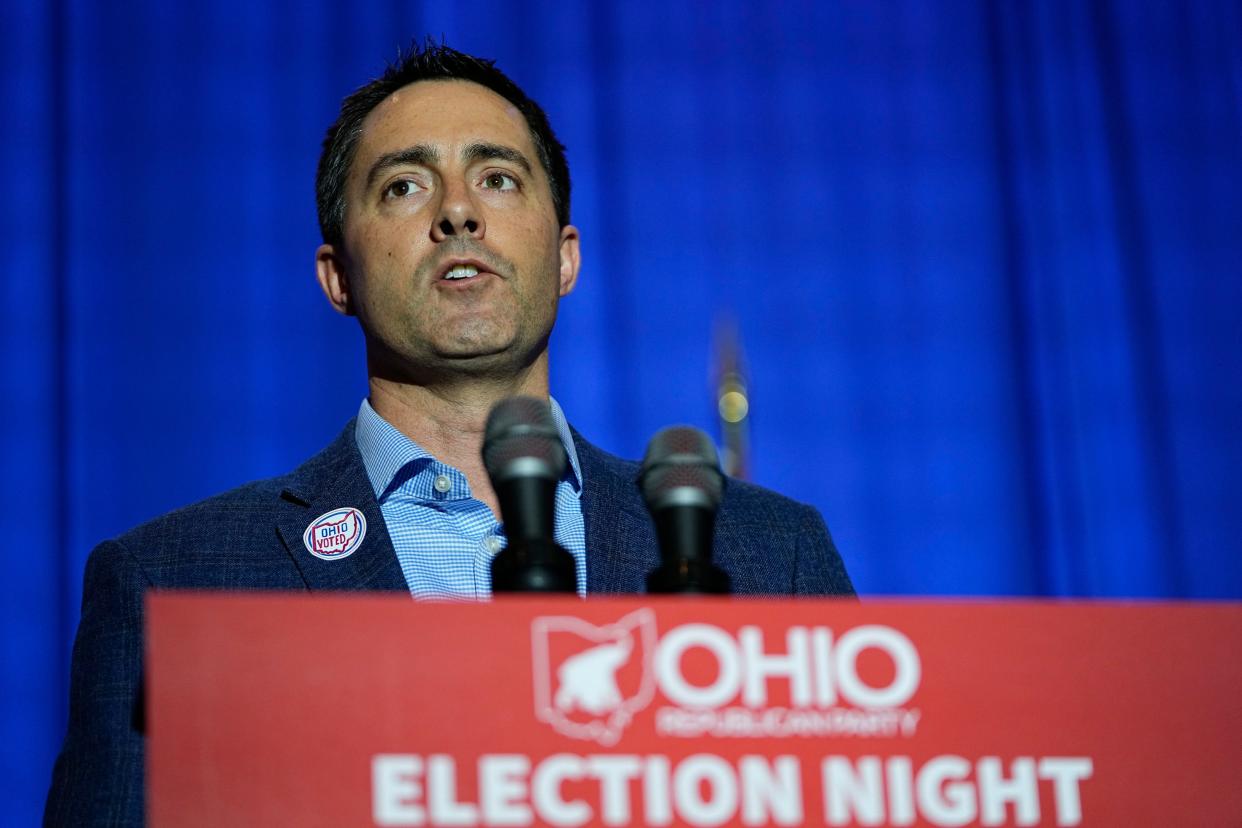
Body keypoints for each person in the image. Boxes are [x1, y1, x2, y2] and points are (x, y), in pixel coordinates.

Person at [44, 42, 854, 824]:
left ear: (566, 258)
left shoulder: (762, 553)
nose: (458, 212)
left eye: (498, 178)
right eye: (403, 187)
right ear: (337, 277)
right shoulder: (174, 583)